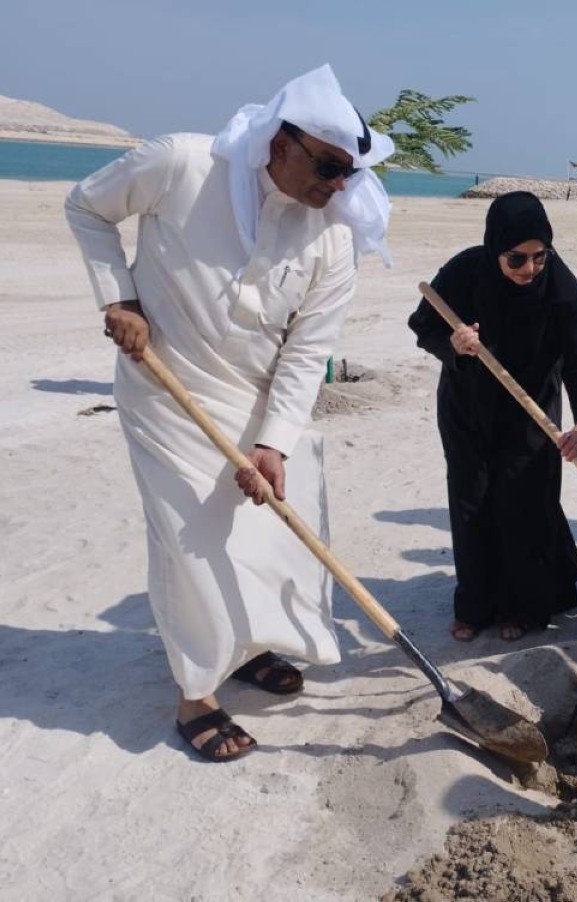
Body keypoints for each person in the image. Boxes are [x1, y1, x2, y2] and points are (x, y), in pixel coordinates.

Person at [63, 65, 395, 762]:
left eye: (349, 174)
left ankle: (249, 650)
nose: (338, 186)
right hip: (166, 389)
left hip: (260, 397)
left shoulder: (334, 236)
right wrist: (117, 298)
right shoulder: (181, 163)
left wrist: (274, 442)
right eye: (329, 166)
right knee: (192, 537)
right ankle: (196, 694)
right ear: (283, 142)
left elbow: (309, 352)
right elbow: (86, 207)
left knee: (272, 534)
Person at [408, 192, 577, 642]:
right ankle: (475, 605)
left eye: (539, 257)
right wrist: (453, 345)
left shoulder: (558, 286)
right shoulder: (464, 271)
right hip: (468, 408)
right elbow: (424, 324)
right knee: (472, 502)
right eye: (516, 259)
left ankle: (525, 606)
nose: (529, 270)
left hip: (532, 412)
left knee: (524, 503)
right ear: (494, 248)